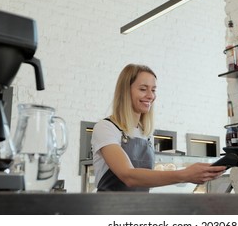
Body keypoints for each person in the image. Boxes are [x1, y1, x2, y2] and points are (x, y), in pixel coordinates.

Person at [91, 64, 226, 192]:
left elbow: (148, 179)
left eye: (153, 90)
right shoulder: (106, 128)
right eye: (143, 89)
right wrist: (185, 175)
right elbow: (128, 176)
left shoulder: (146, 134)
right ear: (126, 91)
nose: (151, 96)